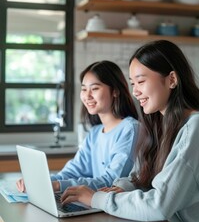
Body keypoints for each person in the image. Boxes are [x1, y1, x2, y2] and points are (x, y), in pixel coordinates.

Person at [60, 40, 199, 222]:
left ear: (171, 80)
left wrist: (96, 198)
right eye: (132, 83)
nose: (135, 92)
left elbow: (160, 204)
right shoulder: (160, 124)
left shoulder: (197, 128)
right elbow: (141, 175)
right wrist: (124, 187)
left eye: (141, 81)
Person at [17, 60, 139, 193]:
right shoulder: (95, 133)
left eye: (94, 88)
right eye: (84, 89)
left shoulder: (130, 129)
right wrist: (42, 181)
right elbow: (73, 171)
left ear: (115, 91)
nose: (87, 95)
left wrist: (58, 186)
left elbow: (112, 181)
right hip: (96, 203)